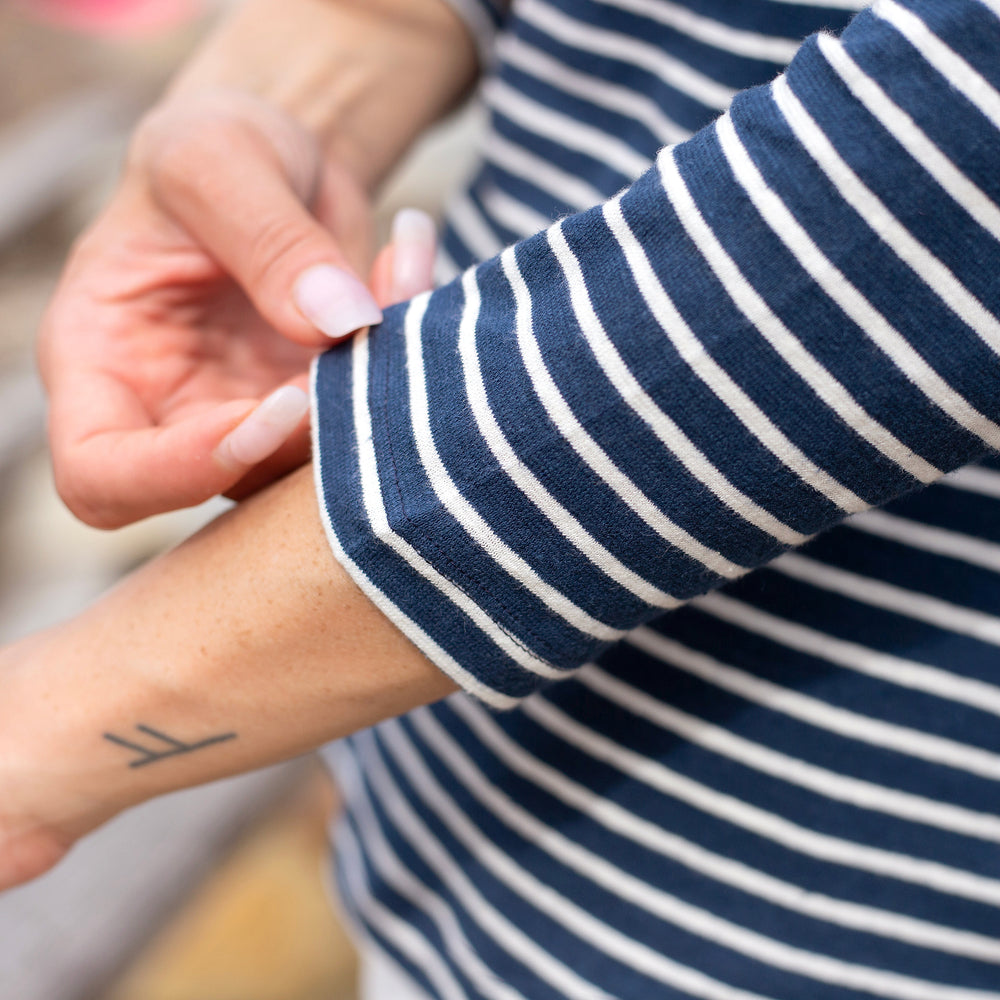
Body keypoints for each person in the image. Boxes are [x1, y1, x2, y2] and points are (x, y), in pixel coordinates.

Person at [5, 0, 1000, 996]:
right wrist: (276, 112)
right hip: (455, 843)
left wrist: (57, 729)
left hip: (803, 920)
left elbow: (951, 179)